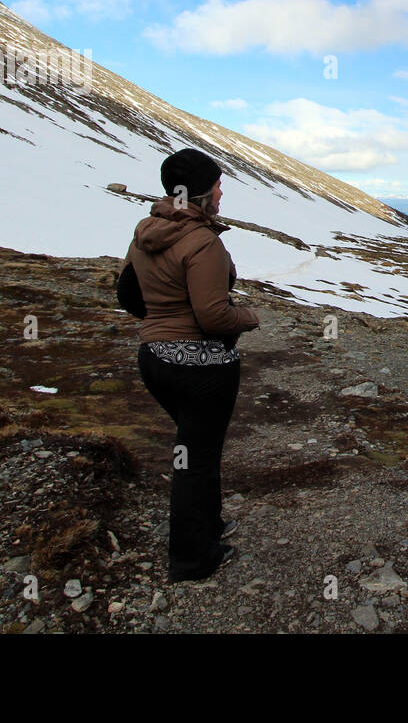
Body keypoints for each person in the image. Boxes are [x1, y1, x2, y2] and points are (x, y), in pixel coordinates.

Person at [125, 148, 260, 582]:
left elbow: (128, 295)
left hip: (154, 359)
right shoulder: (202, 241)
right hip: (201, 366)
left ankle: (210, 527)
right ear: (203, 193)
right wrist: (249, 317)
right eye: (218, 184)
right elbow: (213, 317)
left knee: (193, 451)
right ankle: (192, 557)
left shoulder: (147, 232)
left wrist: (161, 320)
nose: (222, 190)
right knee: (196, 460)